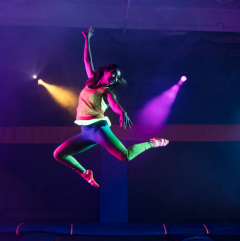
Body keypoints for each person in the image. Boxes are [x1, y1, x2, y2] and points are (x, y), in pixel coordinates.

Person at [53, 27, 169, 188]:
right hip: (85, 132)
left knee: (125, 156)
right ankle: (85, 173)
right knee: (59, 154)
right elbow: (87, 60)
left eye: (118, 77)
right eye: (114, 73)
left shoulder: (107, 91)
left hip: (98, 130)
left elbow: (114, 104)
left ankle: (153, 143)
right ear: (105, 72)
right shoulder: (92, 81)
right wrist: (87, 40)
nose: (115, 78)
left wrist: (122, 112)